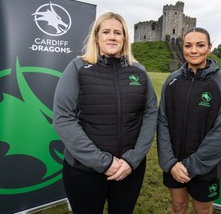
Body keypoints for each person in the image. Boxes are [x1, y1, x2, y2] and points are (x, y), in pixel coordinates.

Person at [53, 12, 158, 214]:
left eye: (118, 32)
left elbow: (151, 113)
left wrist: (132, 160)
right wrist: (104, 162)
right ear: (97, 37)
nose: (112, 37)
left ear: (125, 38)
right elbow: (63, 118)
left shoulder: (139, 72)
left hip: (129, 170)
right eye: (106, 32)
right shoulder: (78, 67)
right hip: (84, 171)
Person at [157, 27, 221, 214]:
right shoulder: (171, 80)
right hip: (174, 163)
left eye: (200, 45)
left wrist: (191, 166)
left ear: (209, 48)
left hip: (206, 166)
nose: (193, 50)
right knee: (178, 206)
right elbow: (162, 121)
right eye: (188, 45)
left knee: (203, 210)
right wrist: (170, 162)